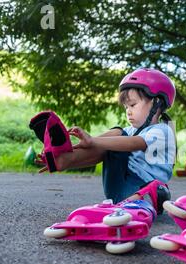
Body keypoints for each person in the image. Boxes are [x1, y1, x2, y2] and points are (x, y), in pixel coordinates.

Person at [33, 68, 176, 206]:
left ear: (156, 103)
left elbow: (134, 143)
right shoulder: (132, 130)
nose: (128, 112)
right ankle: (65, 158)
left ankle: (134, 203)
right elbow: (100, 154)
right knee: (115, 137)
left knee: (118, 137)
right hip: (121, 189)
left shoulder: (163, 130)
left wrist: (93, 141)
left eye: (132, 105)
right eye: (126, 107)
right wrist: (88, 146)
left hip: (145, 191)